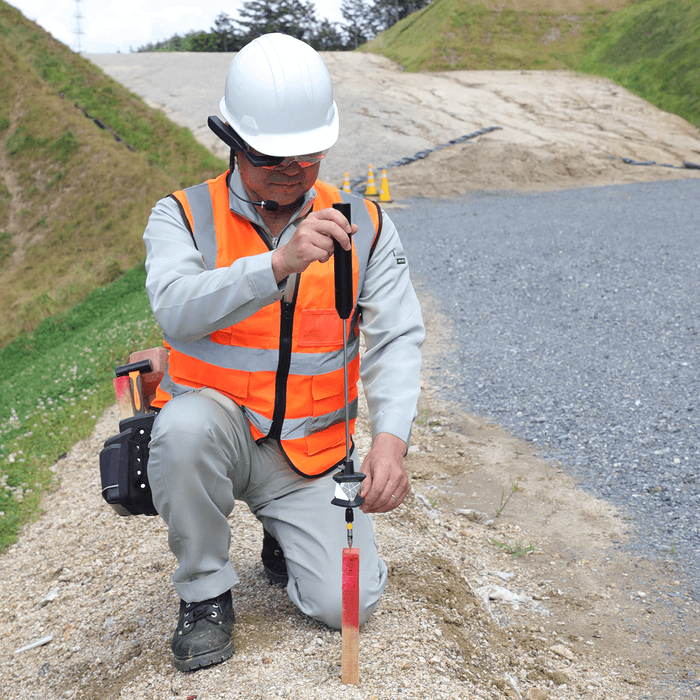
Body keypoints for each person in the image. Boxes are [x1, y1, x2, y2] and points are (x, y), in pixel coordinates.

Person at [142, 32, 424, 673]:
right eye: (275, 156)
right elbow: (175, 307)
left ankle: (285, 537)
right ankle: (206, 596)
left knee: (346, 606)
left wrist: (390, 445)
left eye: (308, 155)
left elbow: (397, 337)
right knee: (181, 429)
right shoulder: (182, 215)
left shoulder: (366, 225)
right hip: (220, 436)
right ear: (234, 140)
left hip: (311, 454)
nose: (294, 171)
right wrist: (274, 265)